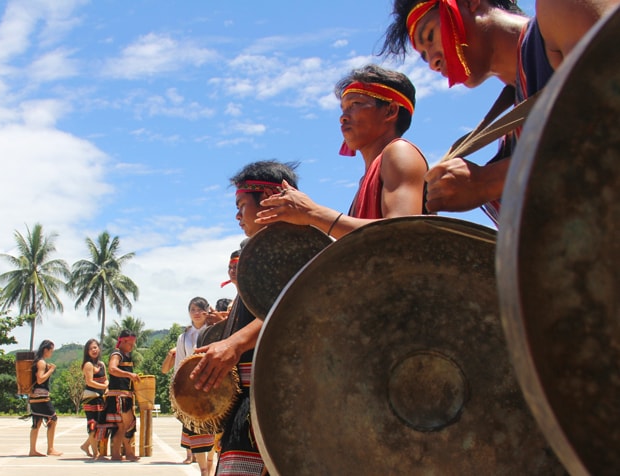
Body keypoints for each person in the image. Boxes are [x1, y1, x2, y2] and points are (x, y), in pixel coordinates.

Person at [380, 0, 619, 222]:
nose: (433, 62)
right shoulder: (511, 129)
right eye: (424, 57)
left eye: (430, 36)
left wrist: (487, 181)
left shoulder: (560, 9)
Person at [191, 160, 300, 475]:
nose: (237, 215)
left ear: (268, 199)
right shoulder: (262, 255)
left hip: (275, 403)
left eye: (241, 205)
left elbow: (289, 306)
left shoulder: (298, 252)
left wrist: (234, 344)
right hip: (252, 404)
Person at [256, 64, 427, 238]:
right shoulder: (368, 177)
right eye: (344, 109)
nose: (343, 117)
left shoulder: (400, 151)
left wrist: (312, 213)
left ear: (390, 111)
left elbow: (402, 233)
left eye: (356, 104)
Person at [173, 297, 216, 475]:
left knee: (214, 428)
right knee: (196, 430)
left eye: (200, 309)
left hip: (214, 385)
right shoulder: (183, 338)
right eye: (193, 309)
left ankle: (211, 464)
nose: (196, 313)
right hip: (192, 389)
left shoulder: (216, 331)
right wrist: (177, 390)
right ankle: (204, 470)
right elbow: (179, 364)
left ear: (207, 310)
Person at [104, 329, 140, 461]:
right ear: (123, 341)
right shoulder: (117, 354)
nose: (132, 346)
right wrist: (129, 374)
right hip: (120, 396)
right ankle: (128, 452)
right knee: (128, 423)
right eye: (130, 344)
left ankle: (116, 454)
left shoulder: (125, 355)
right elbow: (112, 369)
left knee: (121, 426)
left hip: (123, 395)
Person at [28, 339, 62, 457]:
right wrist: (51, 370)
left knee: (36, 423)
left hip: (33, 396)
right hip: (41, 396)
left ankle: (32, 450)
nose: (51, 353)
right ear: (46, 350)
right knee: (53, 419)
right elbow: (40, 379)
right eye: (51, 350)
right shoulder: (41, 362)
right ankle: (50, 448)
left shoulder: (37, 361)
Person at [80, 338, 109, 459]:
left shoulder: (101, 364)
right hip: (90, 397)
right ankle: (95, 453)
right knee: (92, 425)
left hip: (100, 397)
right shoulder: (88, 365)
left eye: (95, 347)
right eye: (91, 348)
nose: (93, 350)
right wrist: (103, 386)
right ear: (87, 351)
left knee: (99, 425)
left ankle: (86, 445)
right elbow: (89, 382)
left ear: (99, 348)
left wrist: (106, 386)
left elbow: (106, 378)